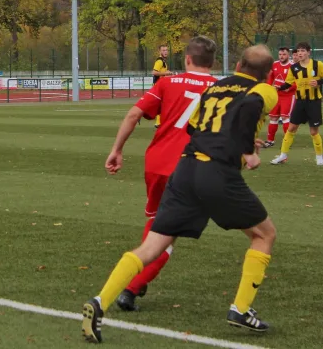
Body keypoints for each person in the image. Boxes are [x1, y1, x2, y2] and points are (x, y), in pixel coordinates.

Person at [82, 44, 278, 343]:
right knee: (264, 235)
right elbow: (249, 109)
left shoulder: (217, 87)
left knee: (151, 246)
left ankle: (100, 301)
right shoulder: (264, 91)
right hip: (218, 173)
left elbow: (198, 127)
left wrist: (240, 139)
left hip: (185, 169)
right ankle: (240, 310)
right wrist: (248, 150)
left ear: (238, 64)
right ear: (269, 72)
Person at [105, 36, 217, 312]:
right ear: (212, 62)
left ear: (187, 59)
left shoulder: (168, 82)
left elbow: (133, 115)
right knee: (168, 235)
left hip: (156, 163)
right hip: (192, 167)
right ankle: (131, 288)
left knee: (156, 222)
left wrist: (117, 149)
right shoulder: (222, 88)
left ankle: (137, 279)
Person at [271, 42, 323, 165]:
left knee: (313, 131)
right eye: (298, 51)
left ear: (308, 52)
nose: (300, 53)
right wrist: (277, 87)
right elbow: (288, 84)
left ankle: (319, 157)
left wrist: (319, 82)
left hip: (314, 102)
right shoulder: (294, 68)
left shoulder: (318, 65)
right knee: (291, 128)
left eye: (303, 51)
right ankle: (282, 155)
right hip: (300, 102)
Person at [263, 47, 295, 148]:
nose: (281, 56)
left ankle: (287, 141)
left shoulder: (293, 66)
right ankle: (270, 140)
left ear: (288, 55)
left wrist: (289, 88)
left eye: (284, 54)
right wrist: (269, 87)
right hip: (276, 95)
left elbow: (297, 81)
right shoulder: (275, 64)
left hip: (288, 96)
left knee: (285, 117)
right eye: (280, 54)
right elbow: (270, 78)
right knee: (273, 117)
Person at [152, 45, 172, 128]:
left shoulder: (163, 62)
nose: (166, 52)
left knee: (162, 104)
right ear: (160, 52)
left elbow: (162, 73)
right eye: (163, 50)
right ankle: (158, 122)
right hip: (158, 85)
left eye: (166, 50)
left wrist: (168, 74)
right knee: (162, 104)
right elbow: (154, 72)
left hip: (161, 85)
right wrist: (165, 73)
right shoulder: (159, 61)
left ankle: (158, 122)